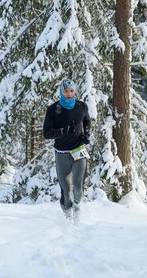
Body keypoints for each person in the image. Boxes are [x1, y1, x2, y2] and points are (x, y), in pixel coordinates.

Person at [43, 79, 91, 220]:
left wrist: (86, 135)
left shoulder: (81, 107)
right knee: (66, 191)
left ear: (74, 91)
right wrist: (63, 131)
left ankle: (77, 208)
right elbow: (46, 133)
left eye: (71, 91)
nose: (69, 94)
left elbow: (87, 121)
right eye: (66, 91)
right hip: (62, 154)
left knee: (78, 188)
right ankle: (67, 217)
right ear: (61, 92)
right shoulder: (53, 109)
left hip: (78, 151)